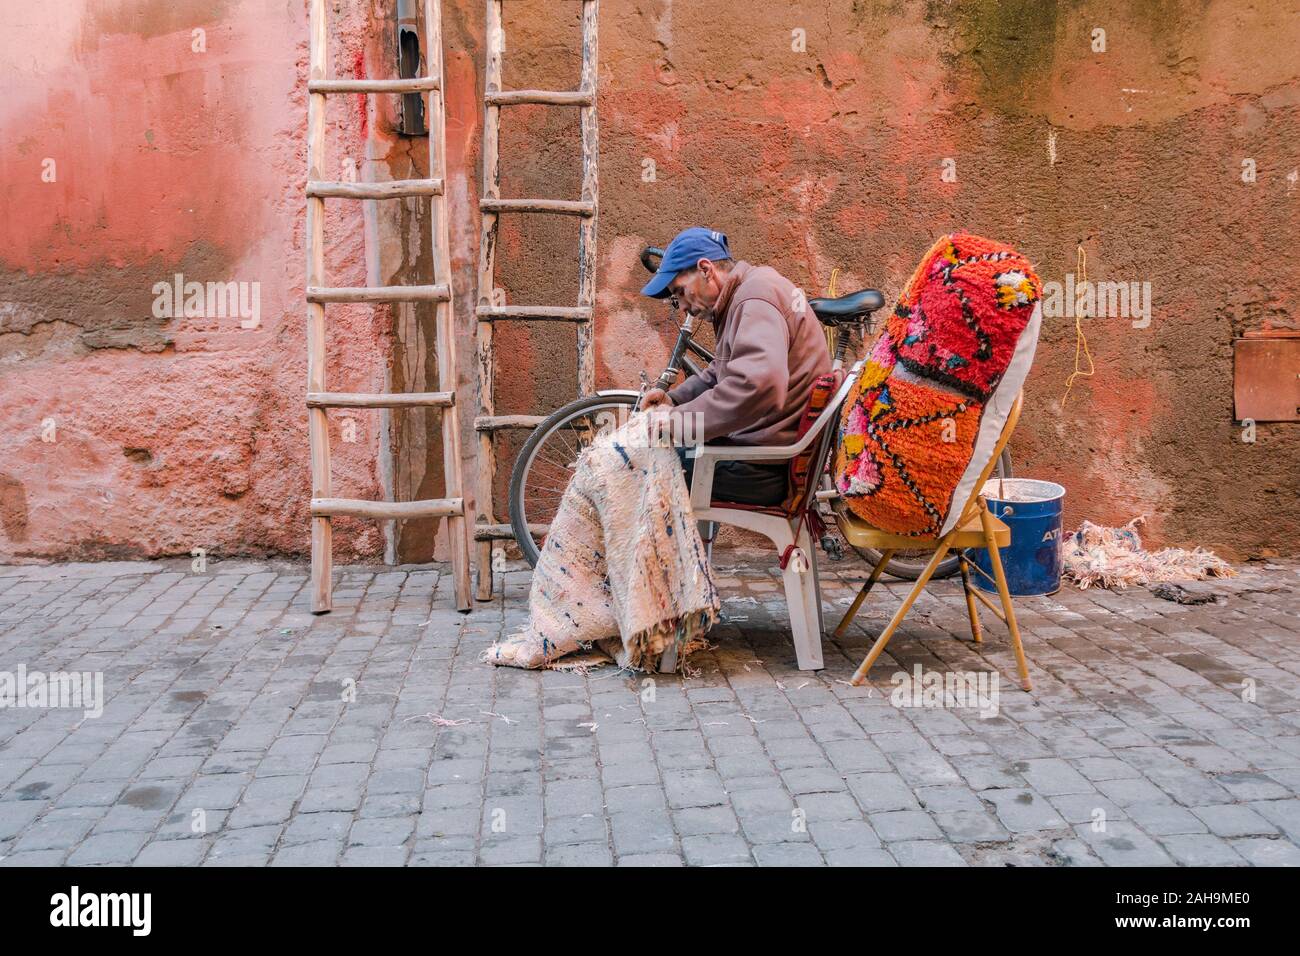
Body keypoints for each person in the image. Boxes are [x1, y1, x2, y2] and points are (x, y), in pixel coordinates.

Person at [639, 227, 832, 507]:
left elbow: (758, 384)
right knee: (656, 453)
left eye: (680, 292)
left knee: (641, 464)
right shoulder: (748, 292)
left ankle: (663, 551)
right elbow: (721, 371)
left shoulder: (755, 298)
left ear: (706, 270)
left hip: (765, 468)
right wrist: (675, 399)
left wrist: (675, 421)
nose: (681, 306)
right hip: (766, 456)